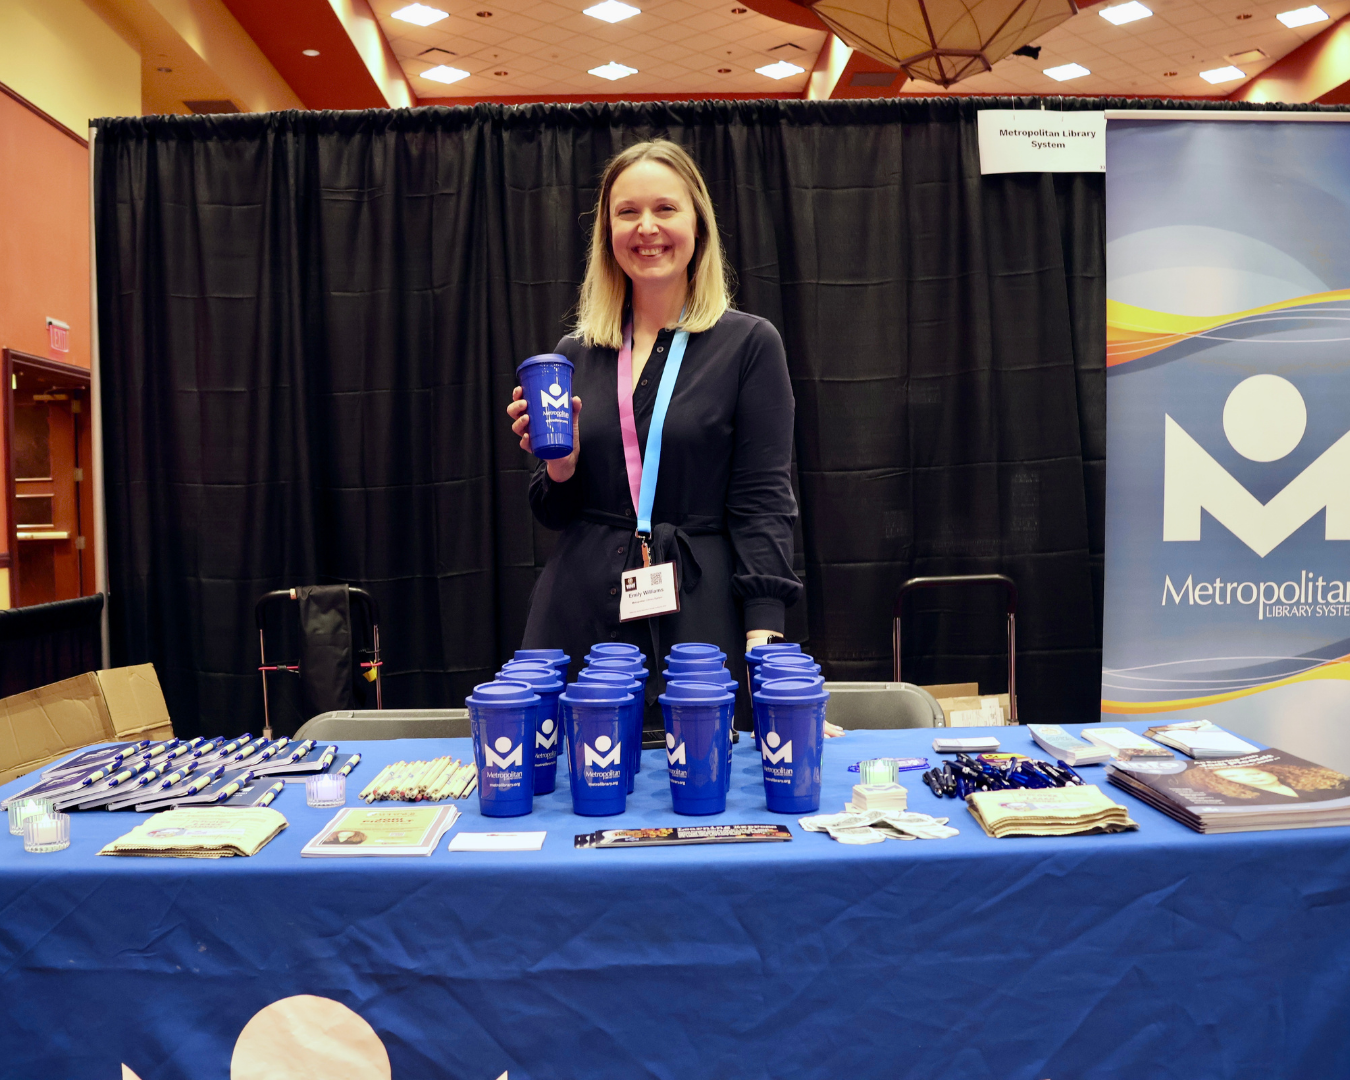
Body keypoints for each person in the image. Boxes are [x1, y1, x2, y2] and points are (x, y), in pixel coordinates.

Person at [506, 139, 801, 731]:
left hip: (699, 615)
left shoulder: (749, 344)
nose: (647, 228)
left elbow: (764, 504)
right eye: (627, 212)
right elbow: (554, 508)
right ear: (606, 233)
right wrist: (559, 466)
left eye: (665, 209)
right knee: (571, 790)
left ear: (699, 224)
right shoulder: (574, 353)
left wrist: (766, 656)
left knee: (700, 796)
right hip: (579, 614)